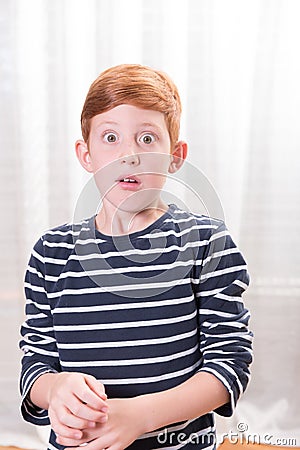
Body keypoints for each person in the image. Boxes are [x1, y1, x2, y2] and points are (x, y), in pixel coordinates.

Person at [19, 63, 253, 450]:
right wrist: (56, 387)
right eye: (110, 137)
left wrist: (141, 416)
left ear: (175, 156)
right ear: (86, 154)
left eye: (147, 139)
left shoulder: (206, 243)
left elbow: (229, 364)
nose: (128, 155)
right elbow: (35, 366)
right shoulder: (51, 253)